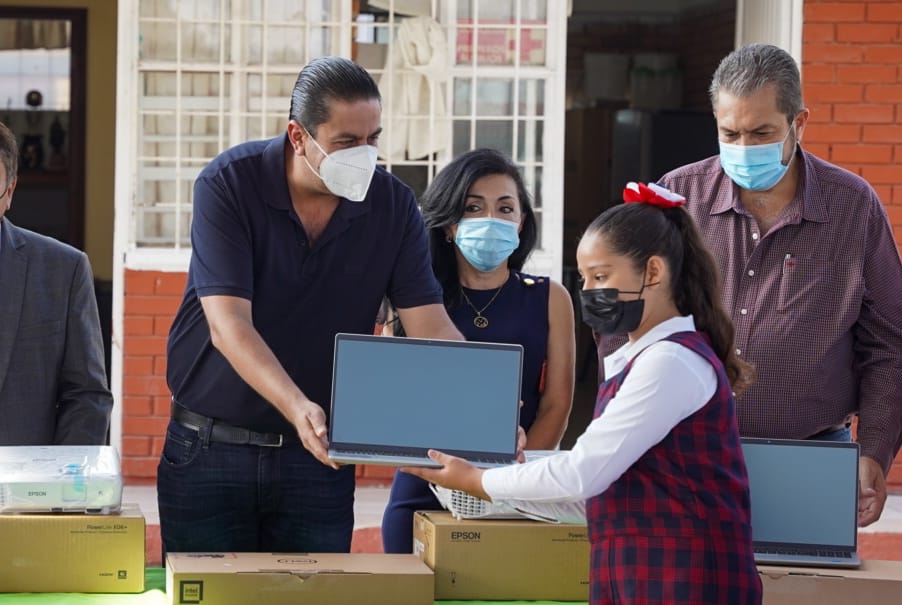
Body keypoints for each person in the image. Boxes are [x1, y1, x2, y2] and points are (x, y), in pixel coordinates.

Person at [159, 56, 462, 555]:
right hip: (209, 451)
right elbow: (228, 323)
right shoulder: (229, 184)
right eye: (346, 142)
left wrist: (484, 408)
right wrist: (298, 406)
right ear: (298, 137)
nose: (364, 155)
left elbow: (429, 324)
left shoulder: (392, 205)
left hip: (318, 463)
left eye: (373, 139)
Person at [407, 182, 762, 605]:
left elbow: (584, 471)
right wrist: (513, 468)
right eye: (585, 279)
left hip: (683, 580)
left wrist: (480, 480)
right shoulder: (645, 358)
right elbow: (598, 485)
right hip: (643, 573)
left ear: (653, 272)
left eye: (601, 276)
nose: (590, 291)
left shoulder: (669, 363)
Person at [658, 43, 902, 527]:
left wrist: (873, 452)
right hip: (689, 456)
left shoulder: (852, 207)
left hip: (812, 461)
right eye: (730, 133)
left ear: (799, 122)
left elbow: (891, 342)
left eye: (762, 133)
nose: (744, 148)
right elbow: (630, 318)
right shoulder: (678, 198)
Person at [380, 148, 575, 553]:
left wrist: (510, 477)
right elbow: (386, 404)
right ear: (450, 225)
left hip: (513, 493)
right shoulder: (413, 300)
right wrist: (429, 467)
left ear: (521, 223)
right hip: (421, 487)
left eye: (505, 208)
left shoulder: (551, 298)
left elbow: (556, 404)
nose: (491, 219)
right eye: (473, 207)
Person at [0, 121, 112, 445]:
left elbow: (88, 397)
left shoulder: (63, 269)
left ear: (10, 192)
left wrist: (61, 485)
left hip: (26, 488)